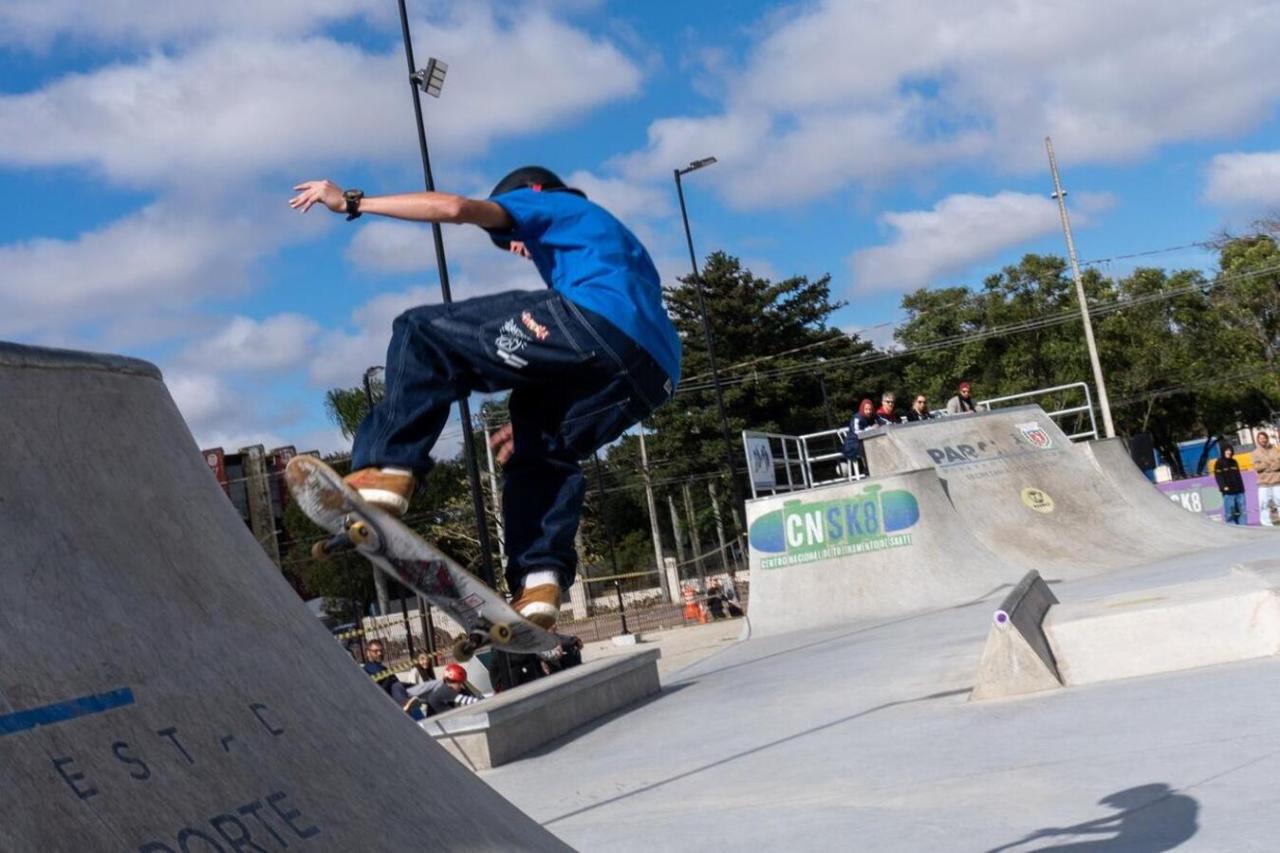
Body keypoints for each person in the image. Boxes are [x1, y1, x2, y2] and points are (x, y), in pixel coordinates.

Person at [290, 168, 680, 632]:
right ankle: (540, 581)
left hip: (595, 322)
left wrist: (353, 202)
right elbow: (621, 342)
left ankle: (386, 467)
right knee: (542, 448)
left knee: (423, 334)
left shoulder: (552, 203)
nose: (516, 247)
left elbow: (455, 208)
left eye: (510, 239)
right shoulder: (614, 242)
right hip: (654, 372)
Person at [841, 399, 888, 474]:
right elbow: (857, 432)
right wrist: (871, 428)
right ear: (862, 408)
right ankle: (868, 469)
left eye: (870, 409)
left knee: (881, 443)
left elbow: (884, 422)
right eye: (866, 409)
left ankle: (883, 466)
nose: (868, 411)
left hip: (866, 441)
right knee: (868, 447)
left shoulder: (873, 415)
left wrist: (893, 425)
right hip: (852, 444)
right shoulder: (857, 418)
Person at [1214, 443, 1246, 525]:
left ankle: (1243, 527)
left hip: (1239, 491)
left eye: (1230, 450)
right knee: (1230, 512)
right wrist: (1223, 487)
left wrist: (1242, 488)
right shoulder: (1219, 463)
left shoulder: (1234, 462)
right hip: (1228, 492)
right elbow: (1218, 477)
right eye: (1227, 450)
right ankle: (1232, 528)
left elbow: (1238, 476)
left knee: (1242, 510)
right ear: (1223, 451)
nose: (1229, 452)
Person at [1254, 430, 1280, 526]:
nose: (1263, 440)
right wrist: (1269, 463)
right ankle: (1266, 524)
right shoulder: (1255, 453)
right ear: (1258, 440)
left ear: (1267, 438)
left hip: (1277, 480)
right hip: (1264, 483)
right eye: (1261, 438)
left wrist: (1268, 465)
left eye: (1264, 438)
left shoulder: (1275, 449)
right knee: (1264, 504)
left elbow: (1278, 463)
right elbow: (1257, 467)